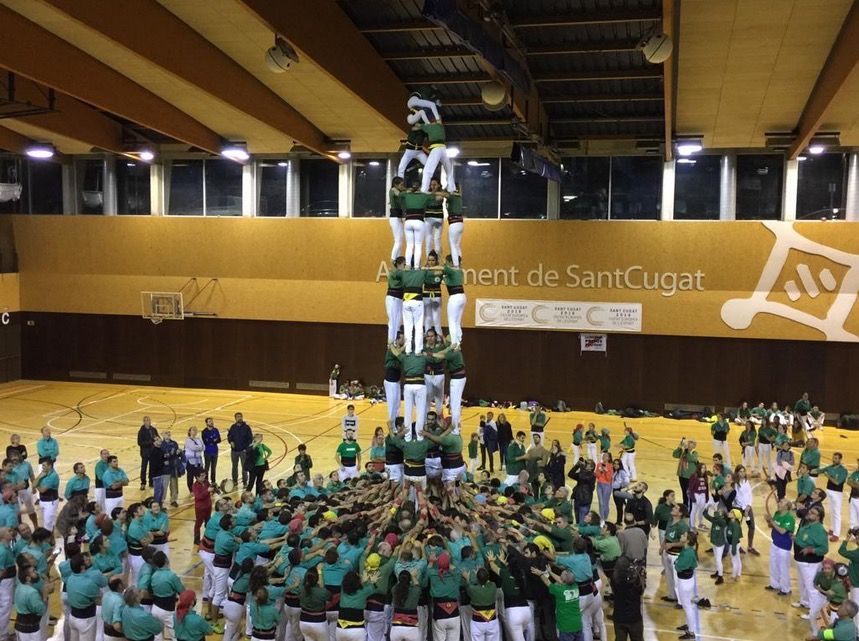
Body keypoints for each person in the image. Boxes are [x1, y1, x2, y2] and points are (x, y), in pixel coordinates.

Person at [533, 567, 582, 641]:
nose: (560, 574)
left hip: (566, 627)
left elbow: (548, 582)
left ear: (564, 579)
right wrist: (550, 572)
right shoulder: (575, 586)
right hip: (578, 625)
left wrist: (540, 574)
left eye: (562, 573)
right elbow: (561, 580)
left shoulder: (559, 591)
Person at [610, 557, 645, 641]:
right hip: (634, 618)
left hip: (619, 617)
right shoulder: (635, 580)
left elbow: (614, 591)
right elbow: (641, 590)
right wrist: (641, 576)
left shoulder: (614, 579)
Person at [674, 531, 699, 640]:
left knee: (687, 607)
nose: (681, 536)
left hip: (684, 583)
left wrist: (676, 563)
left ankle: (691, 632)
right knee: (688, 605)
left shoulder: (687, 553)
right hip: (688, 580)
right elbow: (694, 565)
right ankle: (689, 624)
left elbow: (678, 567)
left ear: (687, 540)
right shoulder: (689, 550)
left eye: (684, 535)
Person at [818, 453, 848, 541]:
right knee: (831, 511)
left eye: (836, 458)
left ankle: (836, 534)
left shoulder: (843, 470)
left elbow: (837, 482)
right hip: (829, 490)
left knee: (836, 513)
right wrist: (810, 470)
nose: (834, 460)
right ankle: (832, 529)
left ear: (840, 460)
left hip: (837, 493)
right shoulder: (830, 467)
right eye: (833, 458)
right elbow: (820, 470)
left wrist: (828, 476)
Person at [440, 256, 465, 346]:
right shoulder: (460, 271)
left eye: (447, 262)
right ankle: (459, 340)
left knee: (452, 322)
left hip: (455, 297)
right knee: (457, 321)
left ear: (451, 262)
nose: (446, 263)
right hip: (462, 297)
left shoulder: (452, 271)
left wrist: (439, 255)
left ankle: (454, 343)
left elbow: (444, 267)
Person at [228, 413, 253, 490]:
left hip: (243, 451)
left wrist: (246, 449)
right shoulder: (233, 427)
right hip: (234, 451)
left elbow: (250, 439)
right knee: (234, 466)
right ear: (235, 418)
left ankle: (245, 482)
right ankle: (235, 481)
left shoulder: (247, 427)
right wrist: (230, 441)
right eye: (238, 417)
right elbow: (229, 436)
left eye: (240, 417)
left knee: (244, 467)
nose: (240, 418)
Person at [672, 438, 698, 510]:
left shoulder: (695, 453)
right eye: (688, 442)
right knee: (684, 491)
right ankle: (685, 505)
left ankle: (689, 507)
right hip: (682, 475)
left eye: (691, 442)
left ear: (694, 446)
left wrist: (686, 450)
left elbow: (691, 458)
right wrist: (680, 446)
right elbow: (675, 454)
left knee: (688, 493)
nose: (688, 444)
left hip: (689, 476)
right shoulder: (684, 452)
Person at [34, 457, 60, 533]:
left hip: (51, 502)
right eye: (42, 465)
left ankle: (47, 539)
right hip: (42, 501)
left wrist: (37, 483)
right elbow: (33, 485)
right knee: (48, 522)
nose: (42, 467)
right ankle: (51, 537)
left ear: (50, 466)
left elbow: (42, 490)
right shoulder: (43, 473)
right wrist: (39, 477)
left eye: (44, 465)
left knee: (47, 524)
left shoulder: (53, 476)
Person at [385, 257, 405, 345]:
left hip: (399, 299)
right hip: (392, 298)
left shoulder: (401, 273)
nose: (406, 266)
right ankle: (390, 344)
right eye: (404, 264)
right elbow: (400, 274)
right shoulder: (394, 272)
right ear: (399, 264)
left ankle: (396, 343)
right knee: (392, 321)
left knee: (398, 322)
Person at [161, 432, 183, 507]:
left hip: (173, 466)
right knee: (164, 485)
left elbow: (177, 454)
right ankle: (161, 501)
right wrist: (164, 459)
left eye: (169, 434)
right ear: (163, 435)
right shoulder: (161, 444)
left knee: (174, 484)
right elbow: (160, 456)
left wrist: (179, 452)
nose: (168, 435)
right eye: (166, 434)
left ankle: (174, 500)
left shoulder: (174, 443)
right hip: (165, 468)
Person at [137, 416, 159, 491]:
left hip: (153, 452)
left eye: (149, 420)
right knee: (144, 468)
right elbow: (140, 443)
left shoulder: (153, 429)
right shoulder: (141, 431)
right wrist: (151, 442)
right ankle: (143, 483)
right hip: (145, 453)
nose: (148, 422)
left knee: (152, 468)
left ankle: (151, 482)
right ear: (144, 422)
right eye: (146, 420)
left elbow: (158, 437)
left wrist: (158, 440)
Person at [423, 180, 444, 258]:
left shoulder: (440, 194)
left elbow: (439, 198)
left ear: (438, 185)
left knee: (436, 239)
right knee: (429, 239)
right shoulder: (439, 193)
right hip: (430, 218)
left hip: (437, 218)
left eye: (435, 184)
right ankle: (429, 258)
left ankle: (437, 258)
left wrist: (430, 194)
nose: (433, 186)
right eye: (431, 184)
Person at [389, 177, 407, 262]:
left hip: (399, 217)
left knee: (400, 240)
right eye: (401, 185)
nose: (403, 186)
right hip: (394, 217)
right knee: (397, 240)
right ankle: (393, 258)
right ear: (395, 185)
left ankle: (398, 259)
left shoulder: (399, 191)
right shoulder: (393, 190)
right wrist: (405, 191)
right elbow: (399, 195)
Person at [445, 189, 463, 267]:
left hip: (454, 223)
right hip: (460, 223)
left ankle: (456, 265)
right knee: (457, 245)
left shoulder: (452, 196)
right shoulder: (459, 197)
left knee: (452, 245)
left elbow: (444, 194)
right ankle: (460, 263)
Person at [184, 426, 204, 494]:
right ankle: (191, 490)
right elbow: (193, 448)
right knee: (190, 476)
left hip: (198, 461)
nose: (195, 431)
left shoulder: (198, 439)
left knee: (200, 475)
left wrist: (198, 447)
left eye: (196, 430)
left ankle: (200, 488)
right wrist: (199, 447)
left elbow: (203, 447)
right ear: (189, 432)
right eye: (193, 430)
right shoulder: (188, 440)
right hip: (190, 462)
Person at [202, 417, 221, 485]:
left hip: (215, 451)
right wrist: (214, 440)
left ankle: (213, 481)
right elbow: (205, 441)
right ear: (206, 423)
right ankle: (206, 481)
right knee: (207, 468)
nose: (211, 422)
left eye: (212, 421)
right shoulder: (204, 431)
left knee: (213, 468)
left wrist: (211, 440)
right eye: (210, 421)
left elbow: (219, 439)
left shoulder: (216, 430)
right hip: (207, 452)